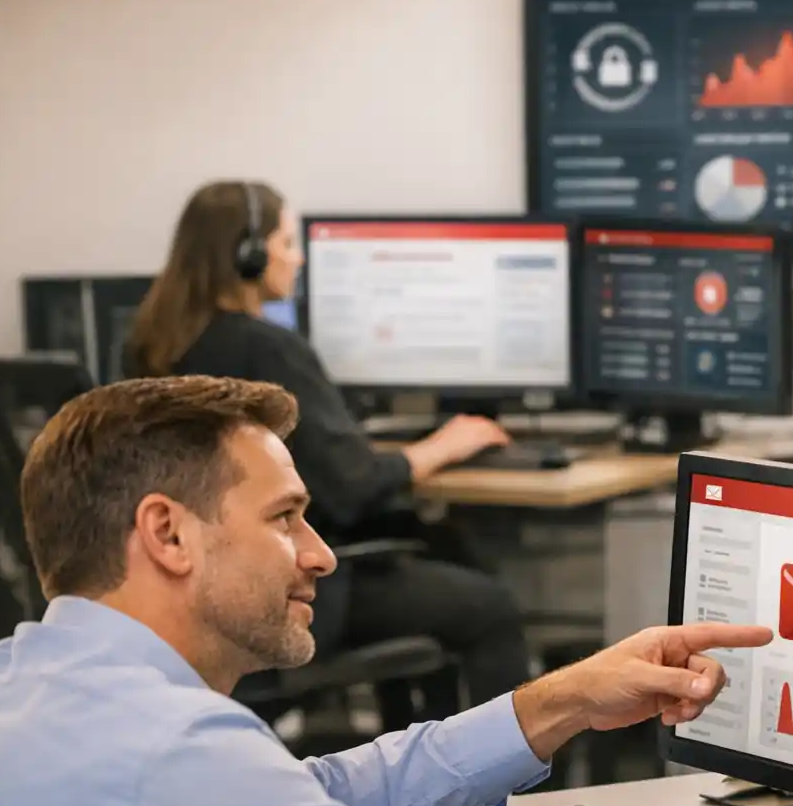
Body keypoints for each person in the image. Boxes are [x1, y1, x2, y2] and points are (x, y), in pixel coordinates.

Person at [0, 374, 793, 806]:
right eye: (285, 519)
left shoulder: (9, 683)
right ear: (167, 535)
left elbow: (311, 802)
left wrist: (559, 701)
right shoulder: (165, 754)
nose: (319, 556)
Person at [125, 180, 530, 716]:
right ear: (248, 254)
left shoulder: (146, 347)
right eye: (288, 244)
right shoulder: (268, 349)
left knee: (441, 553)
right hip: (288, 582)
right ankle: (514, 794)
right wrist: (440, 447)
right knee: (491, 608)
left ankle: (416, 751)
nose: (297, 261)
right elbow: (352, 486)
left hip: (197, 585)